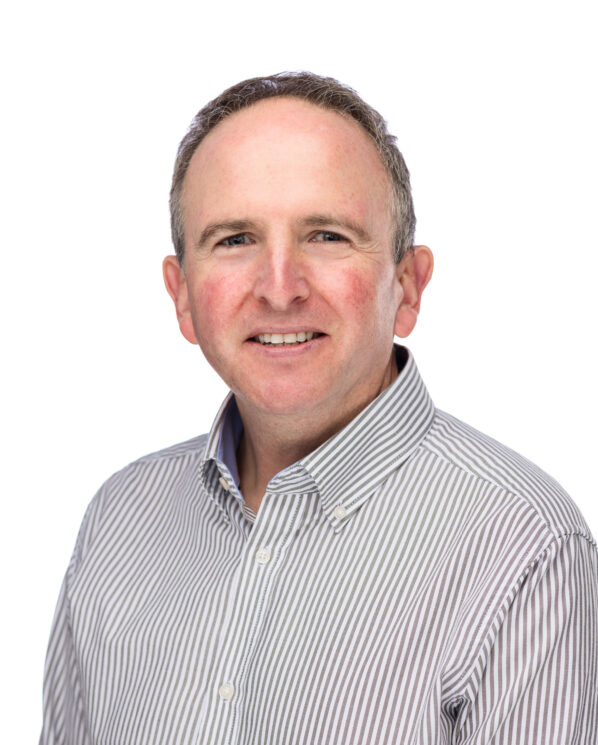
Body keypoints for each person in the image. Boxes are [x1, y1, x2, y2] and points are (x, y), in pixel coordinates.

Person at [40, 72, 598, 744]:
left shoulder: (525, 547)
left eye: (327, 236)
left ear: (408, 286)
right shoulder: (120, 521)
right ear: (182, 295)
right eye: (234, 239)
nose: (280, 289)